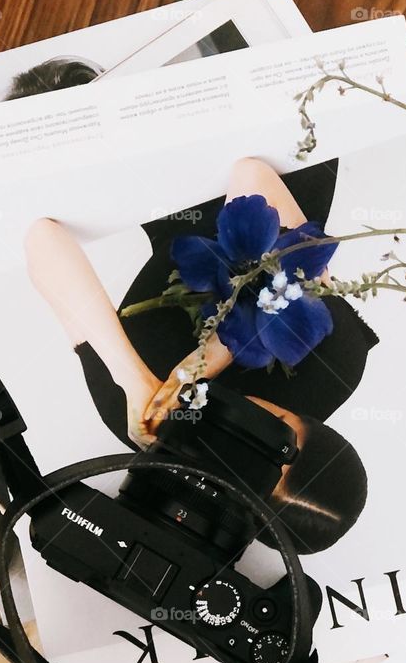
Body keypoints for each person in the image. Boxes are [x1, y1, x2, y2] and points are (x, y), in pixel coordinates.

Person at [24, 157, 377, 554]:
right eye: (273, 426)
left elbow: (42, 241)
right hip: (282, 168)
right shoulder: (333, 368)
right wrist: (209, 356)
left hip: (157, 189)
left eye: (246, 466)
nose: (246, 432)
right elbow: (250, 173)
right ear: (309, 417)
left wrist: (133, 377)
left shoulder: (142, 416)